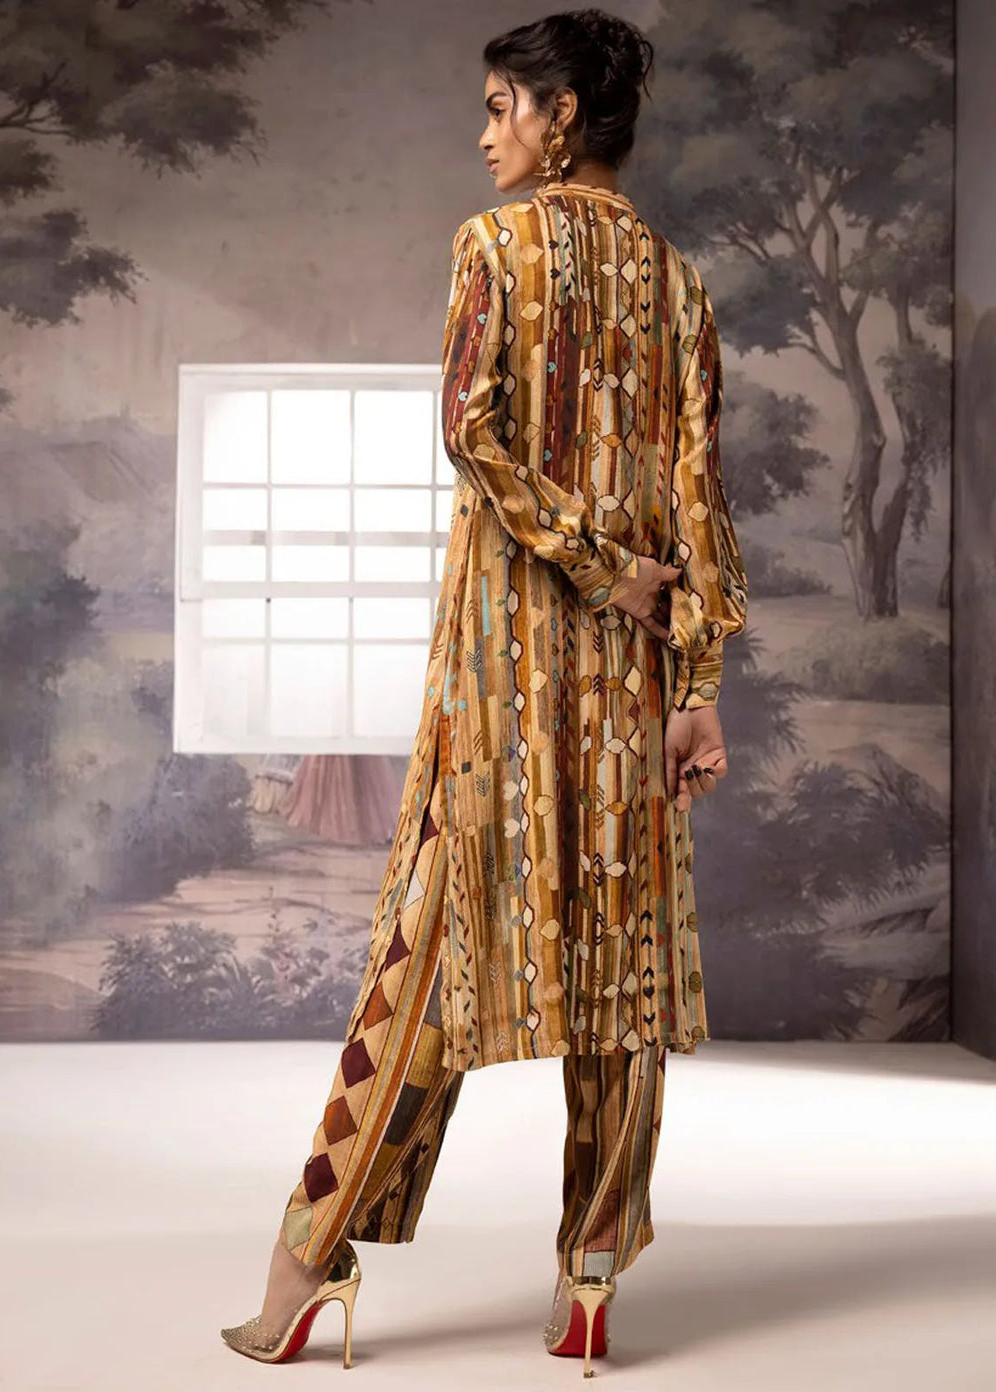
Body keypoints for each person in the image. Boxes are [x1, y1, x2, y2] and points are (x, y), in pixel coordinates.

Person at [221, 6, 748, 1376]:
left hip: (505, 679)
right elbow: (701, 504)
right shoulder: (680, 282)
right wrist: (695, 679)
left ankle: (304, 1271)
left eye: (503, 105)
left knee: (428, 956)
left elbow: (469, 430)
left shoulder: (492, 247)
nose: (485, 133)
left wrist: (595, 568)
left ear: (563, 116)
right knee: (625, 973)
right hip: (634, 684)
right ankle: (590, 1283)